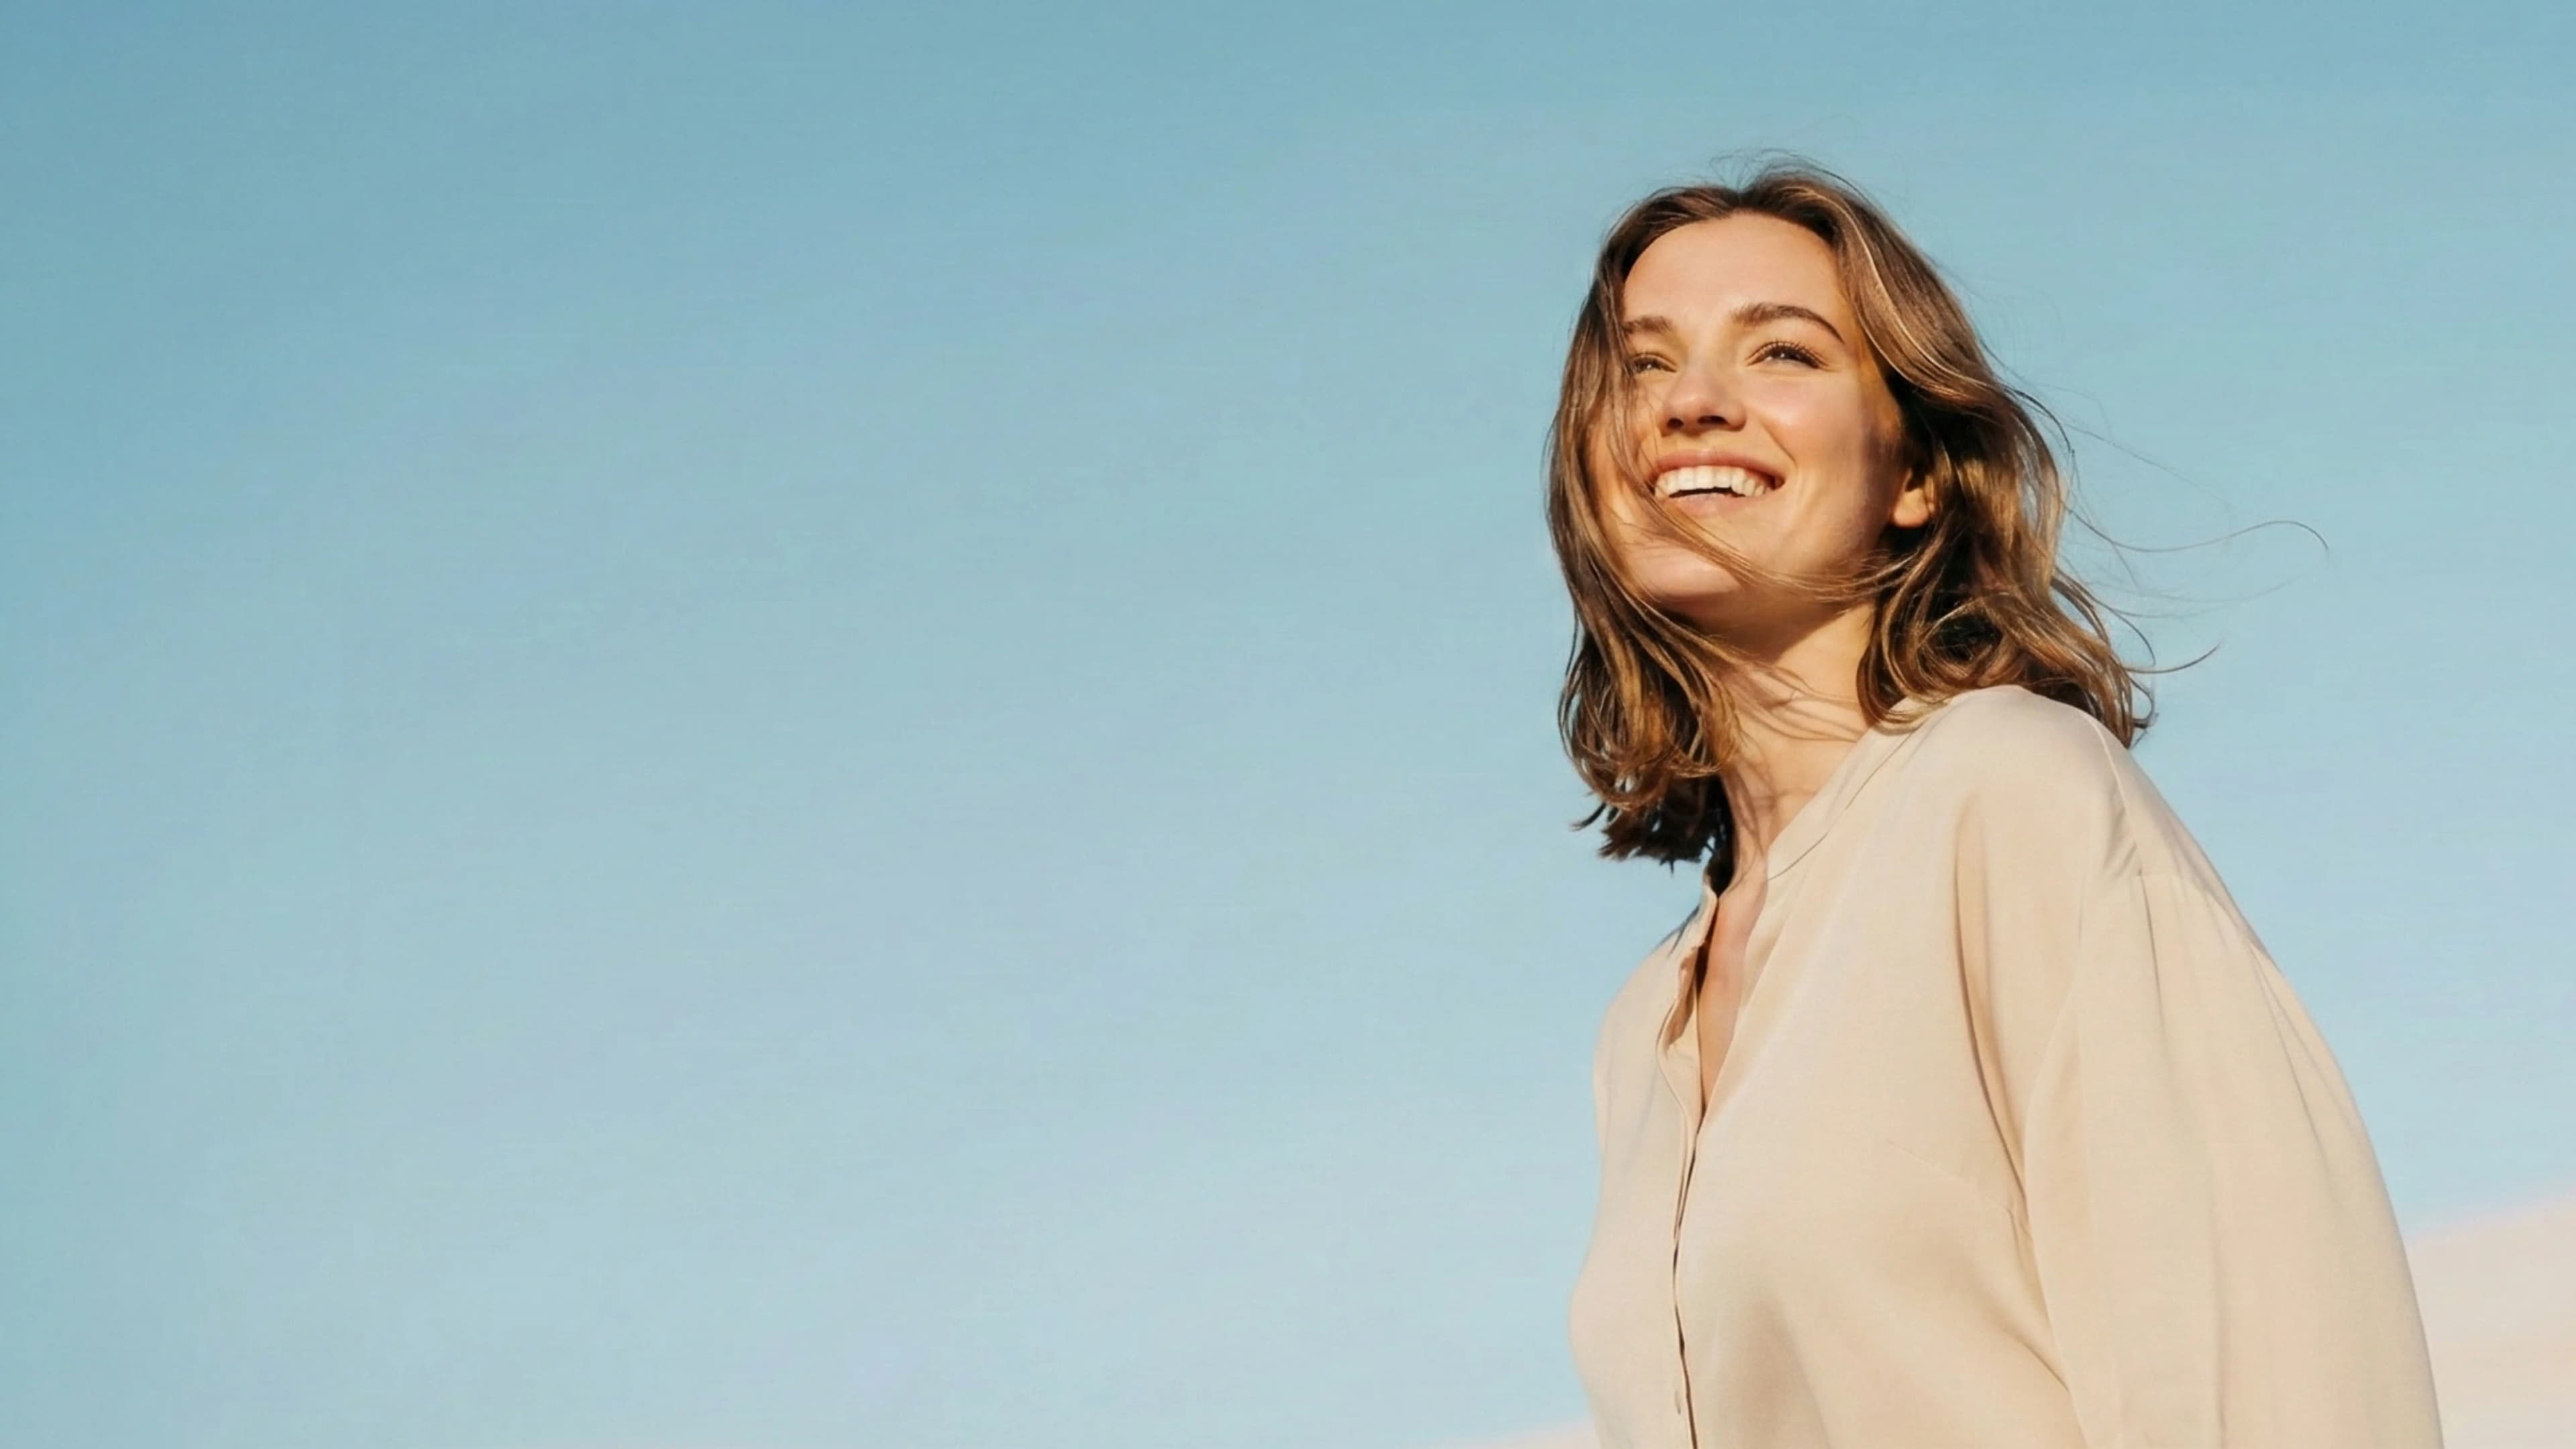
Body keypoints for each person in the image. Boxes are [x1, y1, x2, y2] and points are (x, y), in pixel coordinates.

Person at [1554, 162, 2445, 1448]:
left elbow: (2272, 1366)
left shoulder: (2012, 792)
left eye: (1782, 353)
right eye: (1642, 366)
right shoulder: (1644, 1029)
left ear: (1914, 472)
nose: (1691, 405)